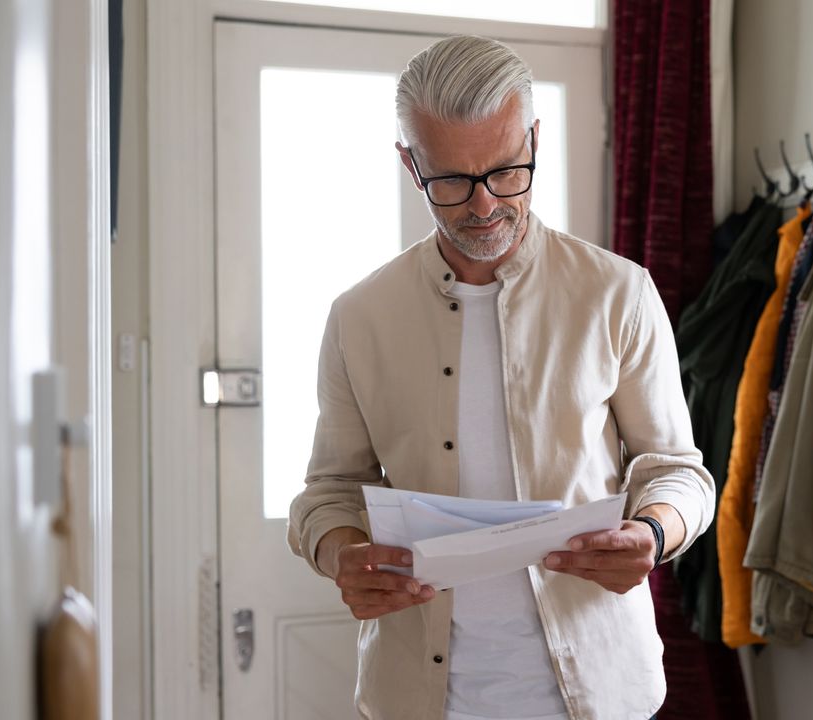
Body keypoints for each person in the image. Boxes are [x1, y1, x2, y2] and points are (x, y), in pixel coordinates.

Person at [287, 34, 713, 720]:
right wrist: (342, 554)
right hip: (421, 699)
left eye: (507, 172)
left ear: (535, 141)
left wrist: (655, 532)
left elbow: (677, 471)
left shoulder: (619, 293)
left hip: (601, 691)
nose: (484, 206)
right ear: (409, 162)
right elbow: (327, 493)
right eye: (451, 181)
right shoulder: (358, 317)